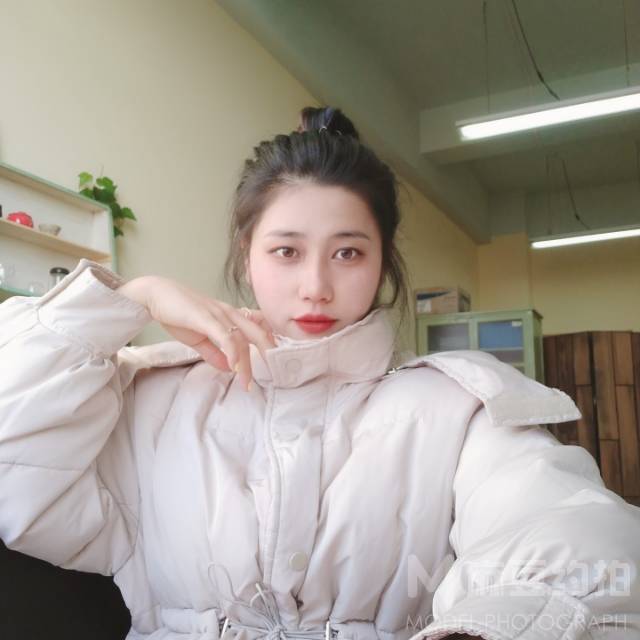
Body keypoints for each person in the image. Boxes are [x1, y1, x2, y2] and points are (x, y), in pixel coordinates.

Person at [0, 106, 638, 640]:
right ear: (246, 257)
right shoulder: (153, 396)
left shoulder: (457, 409)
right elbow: (17, 472)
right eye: (286, 250)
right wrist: (126, 300)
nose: (316, 286)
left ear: (382, 262)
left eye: (348, 253)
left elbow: (578, 544)